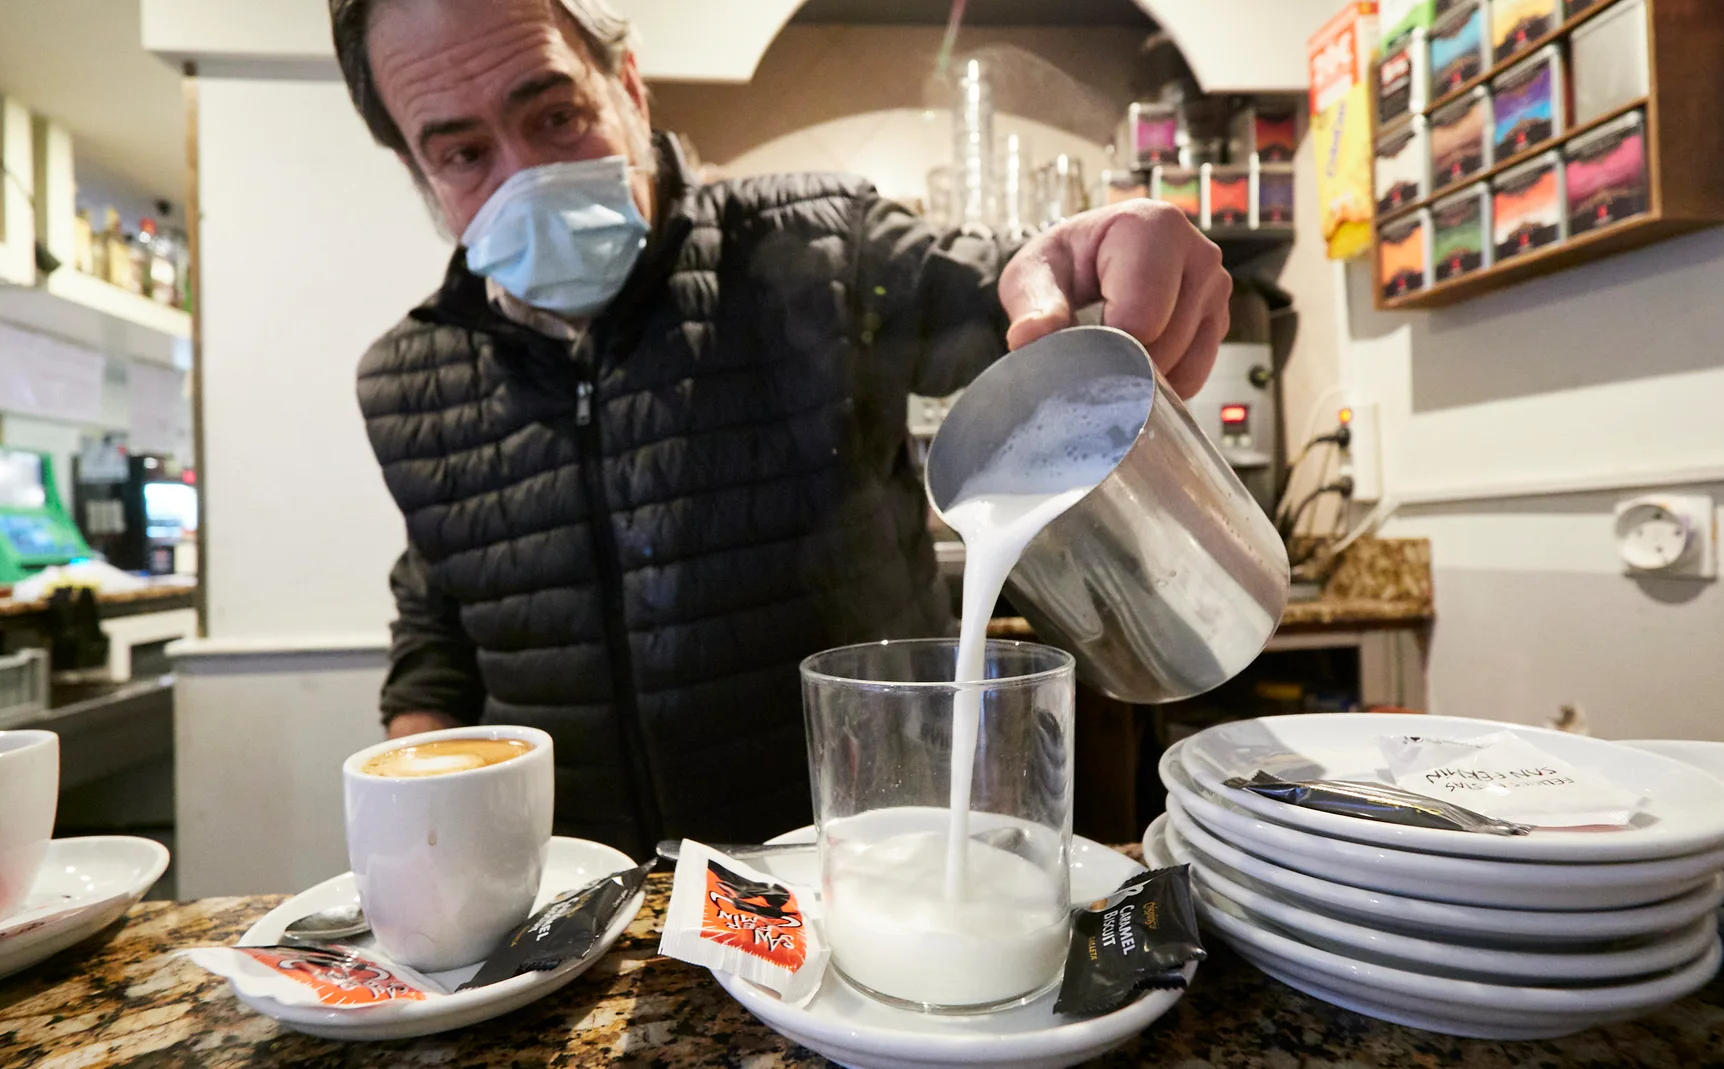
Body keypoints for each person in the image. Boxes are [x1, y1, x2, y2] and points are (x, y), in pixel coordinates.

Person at [330, 0, 1233, 859]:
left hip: (860, 879)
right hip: (592, 910)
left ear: (628, 87)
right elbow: (439, 622)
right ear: (419, 172)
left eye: (557, 116)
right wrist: (426, 818)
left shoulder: (819, 249)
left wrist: (1090, 266)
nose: (524, 176)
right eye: (462, 153)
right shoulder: (408, 381)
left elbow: (1008, 293)